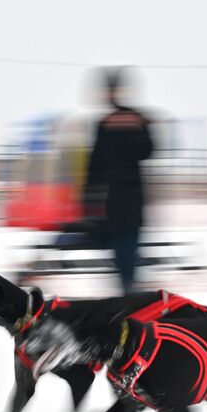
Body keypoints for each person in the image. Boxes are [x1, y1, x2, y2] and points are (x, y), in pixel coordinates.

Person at [83, 66, 154, 294]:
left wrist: (87, 201)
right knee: (127, 255)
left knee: (123, 255)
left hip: (114, 199)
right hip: (129, 198)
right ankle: (129, 291)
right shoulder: (135, 120)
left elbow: (95, 164)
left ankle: (128, 294)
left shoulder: (107, 123)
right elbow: (148, 150)